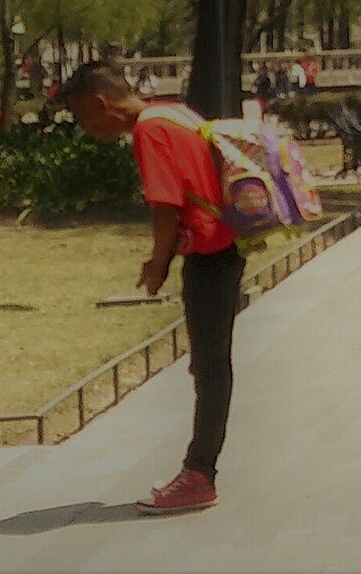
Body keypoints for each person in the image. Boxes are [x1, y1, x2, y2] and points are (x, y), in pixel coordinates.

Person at [62, 61, 242, 515]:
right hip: (224, 248)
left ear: (101, 103)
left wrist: (157, 266)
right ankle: (200, 471)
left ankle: (200, 475)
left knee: (211, 369)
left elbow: (166, 205)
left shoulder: (148, 130)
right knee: (211, 365)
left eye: (86, 118)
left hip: (208, 257)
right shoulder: (174, 113)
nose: (89, 129)